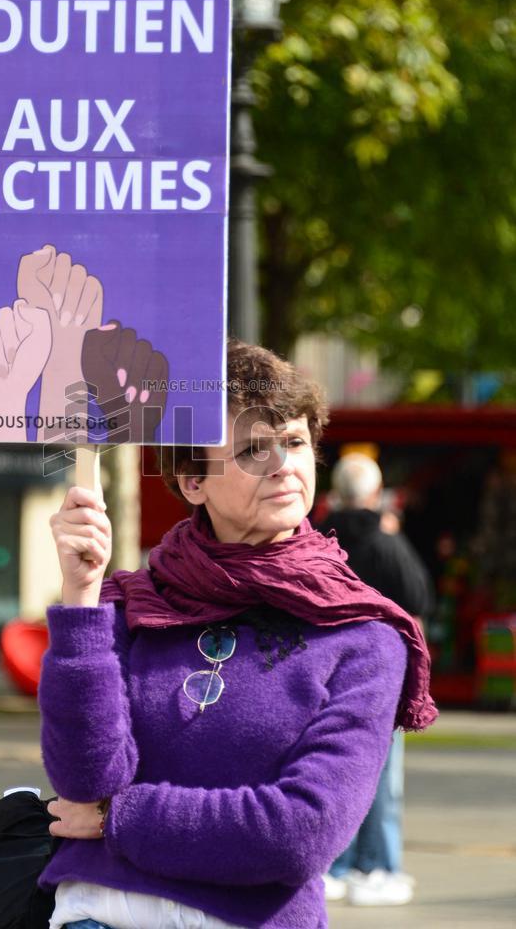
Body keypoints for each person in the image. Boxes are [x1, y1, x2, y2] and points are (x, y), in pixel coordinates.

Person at [38, 340, 437, 929]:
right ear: (192, 480)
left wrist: (117, 819)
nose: (283, 465)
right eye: (253, 448)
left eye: (296, 442)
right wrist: (80, 594)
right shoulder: (128, 604)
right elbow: (83, 781)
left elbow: (299, 834)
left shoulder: (364, 635)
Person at [321, 452, 435, 908]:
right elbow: (419, 595)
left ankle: (337, 864)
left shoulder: (318, 539)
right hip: (382, 674)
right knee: (383, 777)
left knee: (335, 769)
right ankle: (380, 865)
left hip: (329, 670)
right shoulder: (387, 542)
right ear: (374, 493)